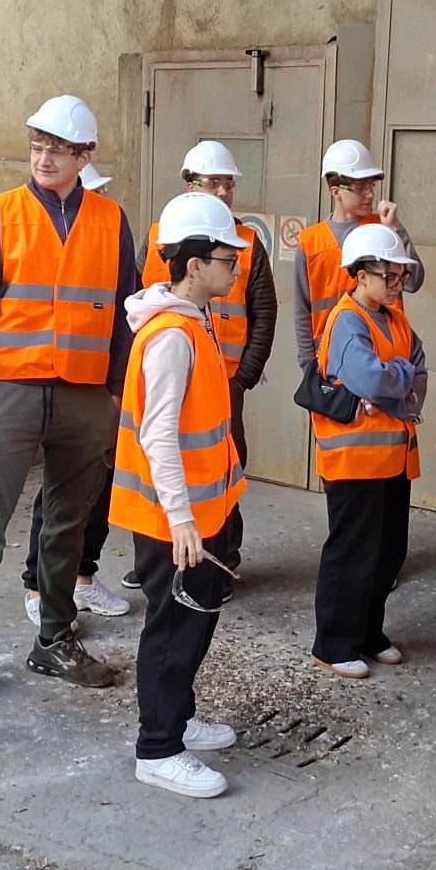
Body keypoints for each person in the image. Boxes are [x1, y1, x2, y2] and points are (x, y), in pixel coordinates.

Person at [0, 94, 138, 710]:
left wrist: (113, 392)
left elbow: (124, 314)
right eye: (37, 146)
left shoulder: (111, 219)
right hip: (12, 393)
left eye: (58, 148)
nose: (44, 158)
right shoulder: (2, 213)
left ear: (85, 155)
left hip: (84, 400)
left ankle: (54, 638)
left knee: (66, 527)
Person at [110, 192, 250, 798]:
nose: (235, 268)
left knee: (192, 624)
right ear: (195, 265)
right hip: (176, 518)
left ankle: (179, 720)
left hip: (199, 510)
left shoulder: (195, 323)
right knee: (172, 629)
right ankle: (158, 748)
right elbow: (158, 435)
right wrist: (182, 521)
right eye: (227, 257)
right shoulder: (173, 336)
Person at [140, 141, 278, 575]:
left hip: (226, 381)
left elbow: (264, 310)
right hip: (172, 373)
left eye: (228, 183)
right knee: (165, 458)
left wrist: (243, 379)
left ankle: (222, 556)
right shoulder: (160, 236)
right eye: (212, 181)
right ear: (188, 184)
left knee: (224, 465)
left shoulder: (246, 243)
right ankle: (163, 554)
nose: (221, 191)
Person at [308, 223, 427, 679]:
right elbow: (373, 378)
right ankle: (334, 642)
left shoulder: (395, 317)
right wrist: (398, 377)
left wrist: (395, 378)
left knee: (387, 550)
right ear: (360, 275)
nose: (398, 284)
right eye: (391, 276)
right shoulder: (346, 320)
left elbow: (417, 369)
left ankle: (368, 632)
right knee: (352, 551)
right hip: (354, 459)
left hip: (392, 456)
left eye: (400, 276)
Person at [20, 162, 124, 630]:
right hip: (53, 388)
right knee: (57, 500)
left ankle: (81, 578)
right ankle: (38, 587)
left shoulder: (109, 239)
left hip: (97, 389)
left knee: (94, 493)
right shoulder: (42, 237)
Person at [293, 139, 424, 372]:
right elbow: (303, 311)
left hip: (385, 360)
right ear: (336, 192)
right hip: (330, 363)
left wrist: (395, 230)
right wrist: (308, 366)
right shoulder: (310, 242)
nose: (370, 195)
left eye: (371, 186)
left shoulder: (383, 228)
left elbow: (414, 282)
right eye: (361, 188)